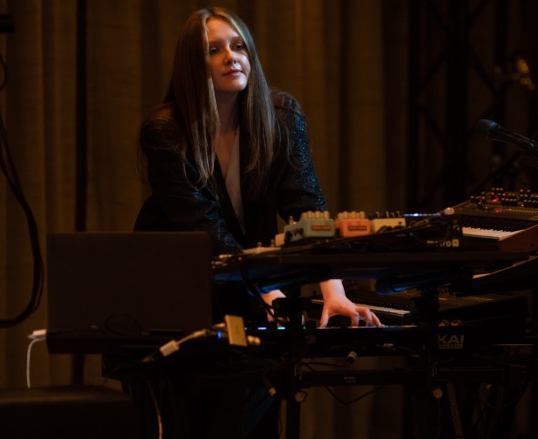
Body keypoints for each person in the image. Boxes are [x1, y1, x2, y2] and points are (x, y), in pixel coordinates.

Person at [131, 6, 381, 438]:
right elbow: (204, 228)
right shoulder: (166, 132)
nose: (231, 57)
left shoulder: (281, 114)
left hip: (251, 290)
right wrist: (267, 289)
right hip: (179, 291)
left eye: (239, 46)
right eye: (214, 50)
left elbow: (307, 209)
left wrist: (333, 291)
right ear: (192, 65)